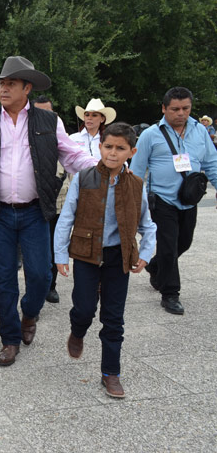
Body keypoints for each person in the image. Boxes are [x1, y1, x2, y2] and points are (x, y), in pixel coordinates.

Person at [0, 56, 97, 367]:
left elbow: (72, 156)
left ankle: (29, 314)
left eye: (10, 84)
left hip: (35, 211)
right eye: (1, 83)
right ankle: (10, 338)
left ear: (27, 88)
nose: (3, 89)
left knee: (41, 275)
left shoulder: (49, 121)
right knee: (3, 279)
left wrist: (104, 169)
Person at [55, 123, 157, 398]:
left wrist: (145, 253)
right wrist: (60, 254)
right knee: (84, 309)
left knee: (114, 318)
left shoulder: (136, 185)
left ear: (131, 152)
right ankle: (78, 331)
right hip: (87, 255)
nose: (113, 153)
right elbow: (66, 218)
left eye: (120, 148)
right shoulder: (83, 178)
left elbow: (147, 223)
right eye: (108, 146)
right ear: (100, 147)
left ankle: (111, 372)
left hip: (118, 257)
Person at [130, 87, 217, 315]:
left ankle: (156, 266)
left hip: (190, 198)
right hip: (162, 199)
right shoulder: (150, 134)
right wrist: (135, 202)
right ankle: (170, 293)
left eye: (185, 108)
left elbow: (211, 162)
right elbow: (137, 171)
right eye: (175, 109)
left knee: (184, 242)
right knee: (168, 246)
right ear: (164, 108)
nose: (181, 113)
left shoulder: (200, 132)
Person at [30, 96, 69, 304]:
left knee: (55, 246)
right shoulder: (25, 142)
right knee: (35, 254)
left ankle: (50, 286)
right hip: (34, 206)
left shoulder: (62, 138)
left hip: (59, 205)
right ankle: (33, 293)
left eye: (48, 113)